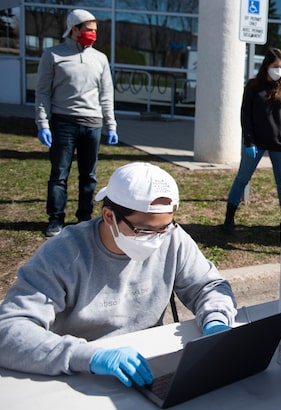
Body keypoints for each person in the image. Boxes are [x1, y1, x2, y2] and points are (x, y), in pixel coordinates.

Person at [0, 162, 237, 387]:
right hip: (79, 374)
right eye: (144, 230)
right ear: (109, 216)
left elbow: (209, 286)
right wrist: (89, 356)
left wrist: (216, 320)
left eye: (164, 227)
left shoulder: (172, 238)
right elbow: (9, 331)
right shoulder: (63, 253)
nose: (156, 239)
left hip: (150, 364)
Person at [35, 9, 119, 238]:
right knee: (59, 174)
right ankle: (55, 219)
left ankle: (84, 218)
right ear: (74, 29)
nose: (93, 34)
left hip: (92, 125)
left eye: (95, 30)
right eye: (88, 30)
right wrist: (43, 124)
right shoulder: (53, 55)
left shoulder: (100, 58)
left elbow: (106, 95)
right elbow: (42, 93)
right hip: (63, 123)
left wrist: (111, 125)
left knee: (89, 176)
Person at [223, 47, 281, 233]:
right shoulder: (253, 86)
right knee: (242, 178)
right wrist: (249, 141)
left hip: (279, 143)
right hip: (255, 143)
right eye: (275, 66)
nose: (279, 70)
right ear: (266, 66)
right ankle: (229, 216)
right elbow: (245, 115)